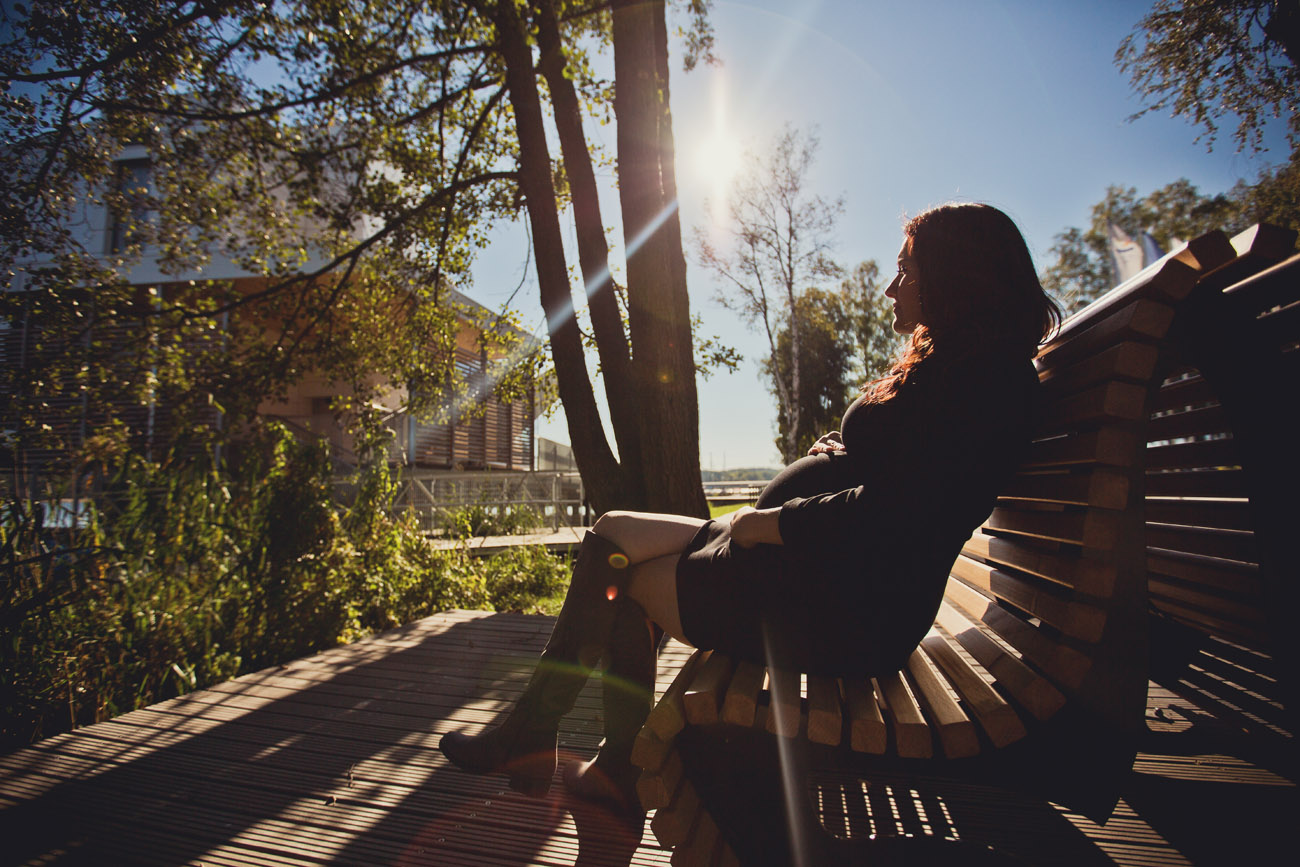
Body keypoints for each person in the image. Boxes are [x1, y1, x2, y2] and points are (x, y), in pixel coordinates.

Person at [439, 202, 1061, 833]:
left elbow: (904, 513)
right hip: (820, 568)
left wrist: (776, 522)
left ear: (954, 276)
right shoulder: (962, 369)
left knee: (621, 578)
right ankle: (563, 744)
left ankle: (590, 759)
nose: (892, 285)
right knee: (610, 533)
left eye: (907, 269)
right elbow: (916, 473)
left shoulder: (990, 382)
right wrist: (847, 452)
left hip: (846, 606)